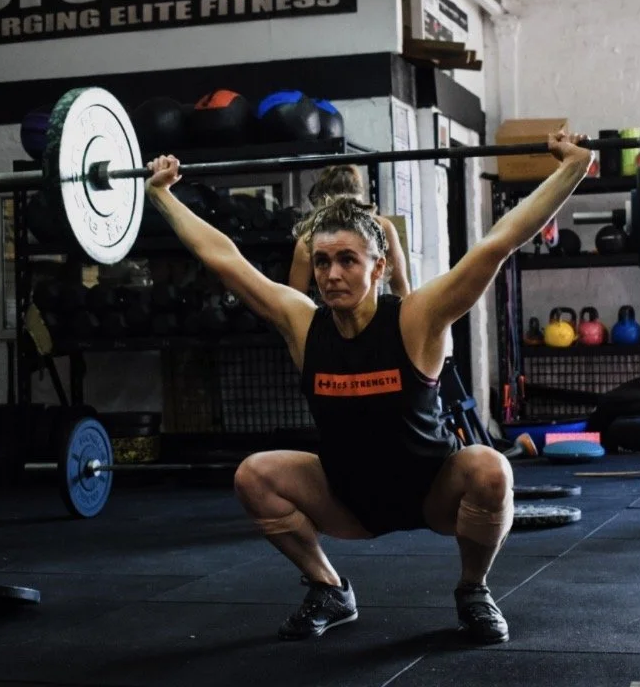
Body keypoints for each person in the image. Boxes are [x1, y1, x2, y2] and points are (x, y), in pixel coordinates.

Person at [143, 131, 595, 644]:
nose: (332, 274)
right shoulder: (302, 323)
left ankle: (473, 590)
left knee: (492, 468)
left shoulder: (415, 320)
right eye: (322, 261)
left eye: (347, 261)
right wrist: (161, 195)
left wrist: (572, 169)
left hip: (431, 491)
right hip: (348, 496)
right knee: (254, 476)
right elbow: (223, 258)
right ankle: (328, 588)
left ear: (378, 267)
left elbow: (497, 244)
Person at [288, 165, 411, 298]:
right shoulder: (308, 240)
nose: (347, 216)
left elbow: (401, 289)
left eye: (354, 209)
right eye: (322, 262)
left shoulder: (382, 227)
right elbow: (295, 300)